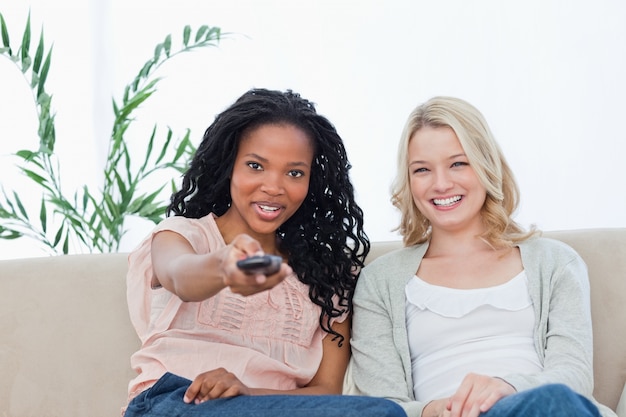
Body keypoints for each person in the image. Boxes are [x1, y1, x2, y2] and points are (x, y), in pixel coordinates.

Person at [122, 88, 406, 417]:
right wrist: (224, 268)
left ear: (312, 182)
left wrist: (247, 391)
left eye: (294, 173)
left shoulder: (328, 275)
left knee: (382, 413)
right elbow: (179, 274)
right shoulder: (184, 235)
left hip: (267, 407)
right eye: (256, 166)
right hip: (178, 402)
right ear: (229, 166)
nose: (274, 186)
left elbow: (327, 390)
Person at [346, 96, 616, 417]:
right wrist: (443, 410)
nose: (441, 184)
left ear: (487, 166)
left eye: (458, 163)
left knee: (554, 400)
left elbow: (573, 374)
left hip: (543, 407)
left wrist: (507, 387)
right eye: (422, 170)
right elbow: (383, 404)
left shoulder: (555, 262)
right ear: (409, 181)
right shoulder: (380, 281)